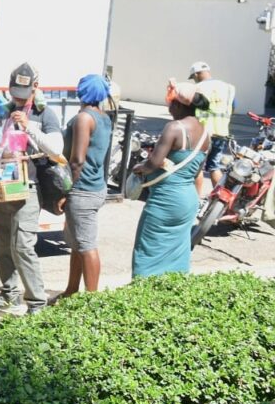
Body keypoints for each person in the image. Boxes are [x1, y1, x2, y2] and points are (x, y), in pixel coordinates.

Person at [0, 63, 61, 316]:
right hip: (5, 184)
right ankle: (8, 294)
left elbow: (56, 150)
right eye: (14, 91)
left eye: (22, 92)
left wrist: (29, 126)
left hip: (30, 187)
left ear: (35, 87)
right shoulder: (7, 111)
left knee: (22, 245)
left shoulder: (45, 114)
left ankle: (37, 302)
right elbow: (2, 144)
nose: (17, 97)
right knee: (3, 243)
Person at [132, 81, 210, 277]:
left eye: (170, 103)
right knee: (177, 253)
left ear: (178, 105)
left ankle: (142, 297)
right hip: (187, 201)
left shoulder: (174, 127)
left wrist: (139, 167)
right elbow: (196, 170)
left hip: (165, 200)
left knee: (147, 252)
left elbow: (153, 164)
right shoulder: (206, 134)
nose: (169, 108)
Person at [53, 74, 113, 302]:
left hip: (82, 190)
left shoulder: (83, 119)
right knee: (77, 244)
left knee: (86, 245)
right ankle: (71, 291)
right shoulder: (103, 117)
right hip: (95, 186)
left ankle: (92, 301)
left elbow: (77, 160)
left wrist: (65, 192)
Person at [188, 61, 236, 194]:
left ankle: (195, 200)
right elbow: (233, 108)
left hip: (203, 134)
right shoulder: (228, 87)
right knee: (214, 167)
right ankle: (218, 200)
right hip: (221, 133)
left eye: (193, 77)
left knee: (197, 167)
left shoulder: (199, 88)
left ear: (197, 74)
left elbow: (191, 109)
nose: (194, 80)